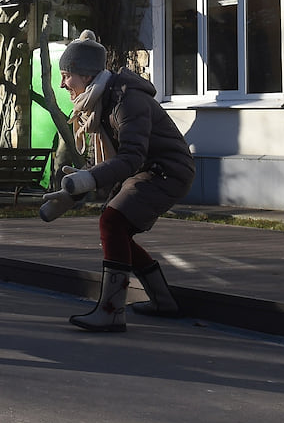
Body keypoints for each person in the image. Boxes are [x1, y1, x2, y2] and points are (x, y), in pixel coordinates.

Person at [41, 30, 195, 332]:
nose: (63, 84)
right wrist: (74, 192)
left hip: (166, 171)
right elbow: (116, 162)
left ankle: (112, 312)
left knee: (112, 223)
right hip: (150, 170)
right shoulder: (103, 99)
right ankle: (163, 301)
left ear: (86, 75)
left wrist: (89, 180)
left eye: (66, 75)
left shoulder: (126, 100)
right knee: (116, 228)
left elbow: (131, 158)